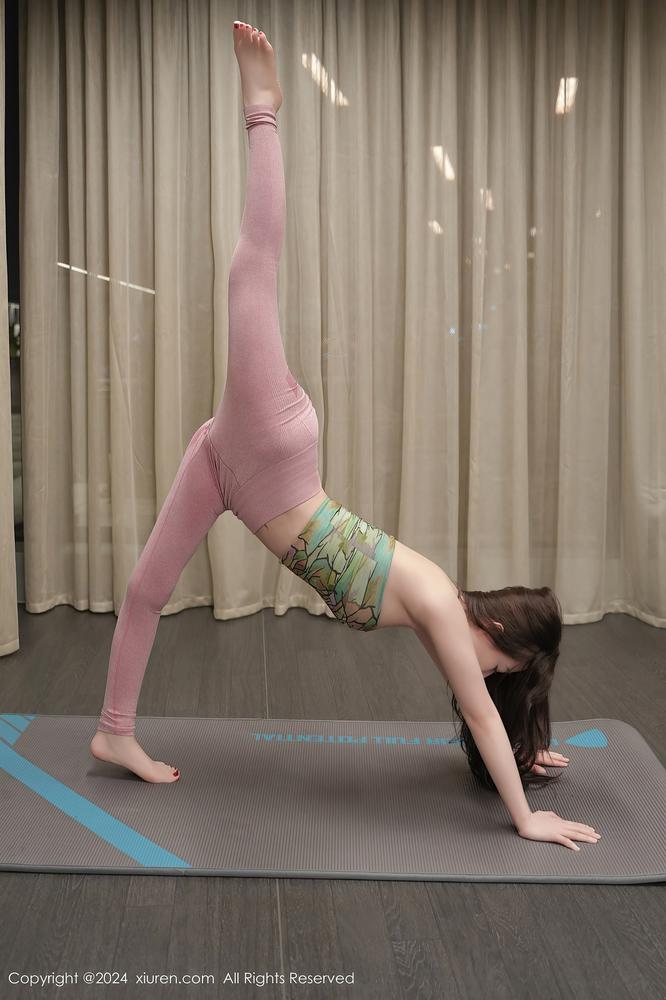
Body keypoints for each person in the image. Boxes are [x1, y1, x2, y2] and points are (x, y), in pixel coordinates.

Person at [91, 22, 600, 854]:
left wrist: (522, 751)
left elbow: (484, 709)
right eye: (508, 671)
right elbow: (479, 709)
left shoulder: (443, 615)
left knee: (146, 588)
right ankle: (262, 110)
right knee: (250, 271)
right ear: (505, 645)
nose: (490, 679)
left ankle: (114, 731)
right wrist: (525, 816)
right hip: (273, 455)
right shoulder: (441, 603)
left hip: (228, 464)